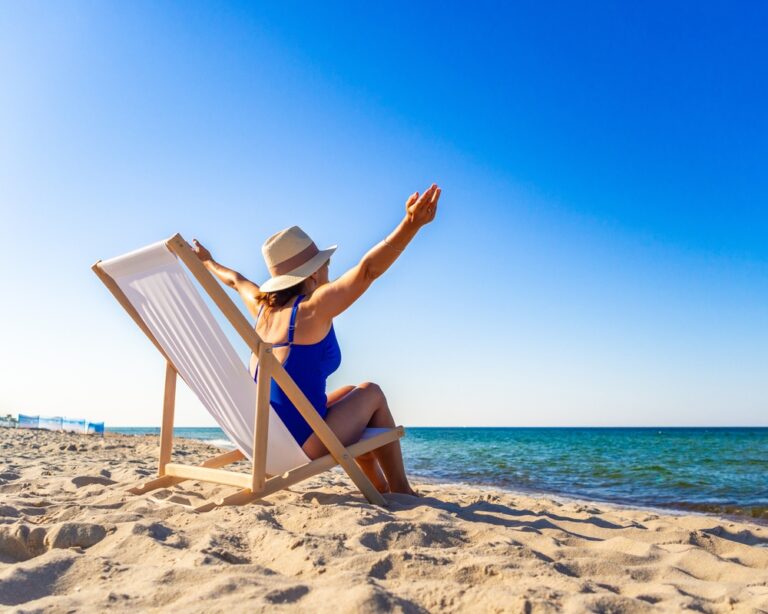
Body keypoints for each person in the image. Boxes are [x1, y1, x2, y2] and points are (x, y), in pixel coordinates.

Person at [193, 183, 441, 495]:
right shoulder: (312, 309)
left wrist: (206, 262)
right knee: (373, 393)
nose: (328, 272)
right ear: (311, 276)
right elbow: (367, 271)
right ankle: (401, 489)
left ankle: (377, 485)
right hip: (299, 446)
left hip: (265, 441)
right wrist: (411, 224)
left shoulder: (260, 307)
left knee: (352, 392)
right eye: (326, 266)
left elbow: (235, 280)